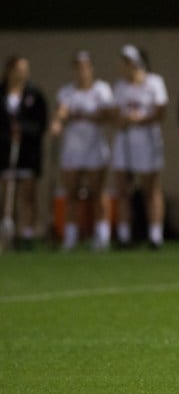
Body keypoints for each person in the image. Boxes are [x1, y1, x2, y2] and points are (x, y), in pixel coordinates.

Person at [50, 51, 114, 251]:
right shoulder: (67, 92)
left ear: (91, 69)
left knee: (97, 192)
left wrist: (87, 116)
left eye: (85, 67)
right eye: (78, 68)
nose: (82, 72)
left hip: (95, 149)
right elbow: (62, 111)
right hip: (73, 150)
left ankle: (102, 235)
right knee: (71, 193)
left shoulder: (101, 90)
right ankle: (70, 236)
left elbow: (108, 114)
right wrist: (58, 122)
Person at [111, 44, 168, 249]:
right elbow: (115, 116)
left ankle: (155, 235)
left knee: (150, 189)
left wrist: (139, 119)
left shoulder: (154, 83)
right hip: (124, 140)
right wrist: (125, 120)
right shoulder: (120, 86)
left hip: (147, 141)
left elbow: (160, 112)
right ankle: (124, 235)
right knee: (123, 188)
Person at [0, 56, 48, 250]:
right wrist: (7, 134)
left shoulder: (34, 95)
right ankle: (5, 234)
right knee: (4, 193)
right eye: (20, 69)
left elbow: (40, 123)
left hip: (27, 152)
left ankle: (27, 235)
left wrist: (23, 130)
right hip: (3, 151)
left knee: (28, 194)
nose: (23, 73)